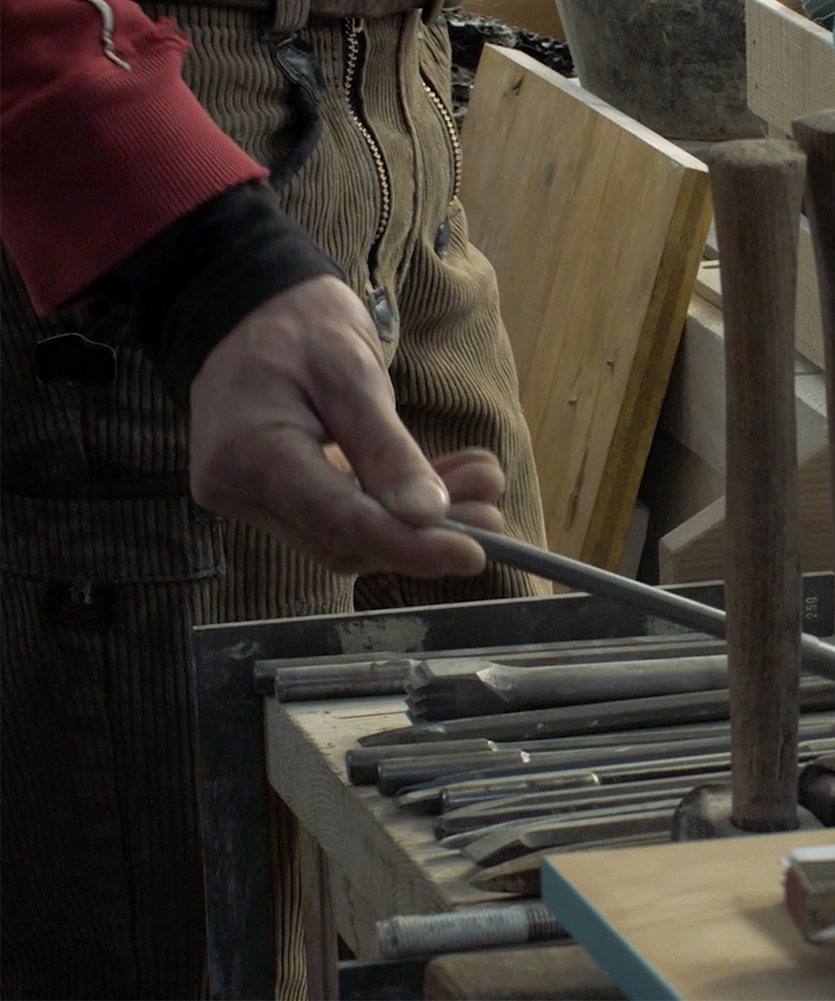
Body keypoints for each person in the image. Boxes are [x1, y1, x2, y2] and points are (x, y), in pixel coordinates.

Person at [0, 0, 548, 995]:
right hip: (136, 155)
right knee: (208, 945)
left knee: (526, 894)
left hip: (397, 102)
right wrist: (202, 261)